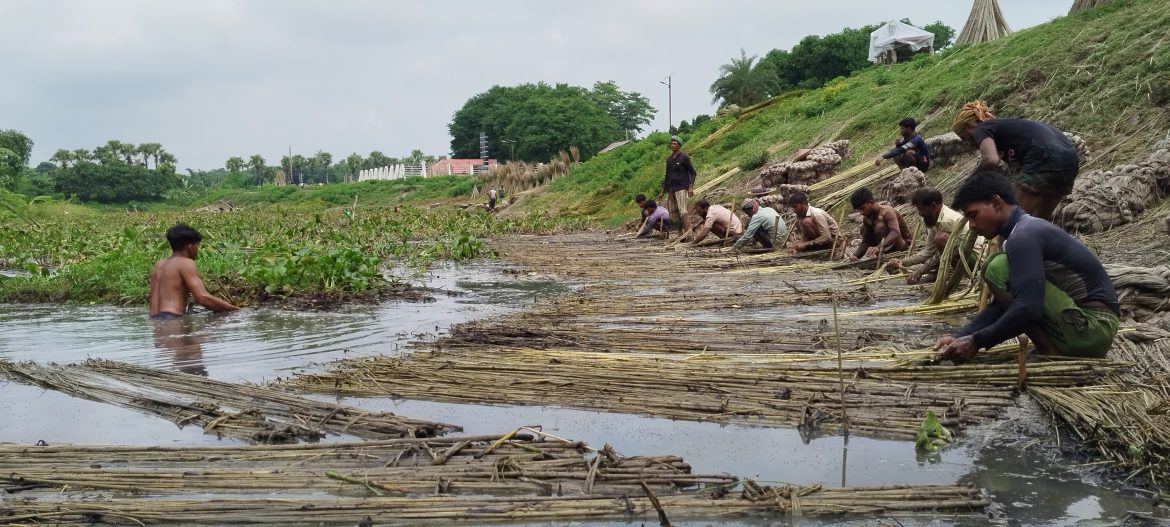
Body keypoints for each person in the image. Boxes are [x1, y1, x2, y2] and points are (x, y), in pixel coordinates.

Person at [934, 171, 1119, 363]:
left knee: (996, 266)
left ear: (996, 203)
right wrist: (963, 334)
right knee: (999, 266)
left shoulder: (1023, 236)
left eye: (974, 215)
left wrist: (977, 341)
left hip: (1092, 330)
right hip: (1088, 329)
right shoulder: (1020, 232)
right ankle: (1050, 347)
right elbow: (1006, 304)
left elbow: (1029, 307)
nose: (971, 225)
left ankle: (1048, 351)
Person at [952, 100, 1079, 221]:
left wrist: (967, 184)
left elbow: (990, 160)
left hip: (1044, 159)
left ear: (969, 126)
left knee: (1012, 221)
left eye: (964, 138)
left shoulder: (981, 128)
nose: (969, 143)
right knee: (1038, 222)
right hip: (1069, 162)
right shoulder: (1005, 133)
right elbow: (1017, 173)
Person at [886, 187, 981, 284]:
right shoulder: (933, 219)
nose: (920, 213)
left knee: (941, 238)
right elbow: (928, 251)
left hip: (976, 261)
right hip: (964, 257)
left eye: (922, 209)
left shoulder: (947, 220)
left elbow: (942, 254)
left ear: (933, 206)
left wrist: (921, 270)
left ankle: (963, 277)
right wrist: (903, 262)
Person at [149, 224, 240, 319]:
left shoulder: (159, 265)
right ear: (190, 247)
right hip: (172, 319)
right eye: (197, 245)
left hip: (155, 321)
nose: (197, 249)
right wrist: (236, 310)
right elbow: (203, 298)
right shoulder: (185, 262)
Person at [850, 188, 910, 260]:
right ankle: (884, 257)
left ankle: (901, 257)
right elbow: (866, 241)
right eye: (859, 210)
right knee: (863, 229)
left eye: (863, 208)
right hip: (886, 249)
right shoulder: (867, 218)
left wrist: (879, 247)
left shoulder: (887, 212)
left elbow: (895, 233)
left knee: (880, 227)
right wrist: (856, 256)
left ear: (871, 202)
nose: (861, 212)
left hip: (904, 247)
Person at [661, 135, 696, 231]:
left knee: (682, 210)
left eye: (675, 144)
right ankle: (680, 234)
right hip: (671, 188)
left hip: (681, 187)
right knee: (673, 212)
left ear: (679, 146)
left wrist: (690, 187)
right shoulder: (669, 160)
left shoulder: (684, 157)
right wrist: (663, 191)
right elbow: (667, 176)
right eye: (671, 143)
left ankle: (688, 233)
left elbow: (693, 173)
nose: (672, 145)